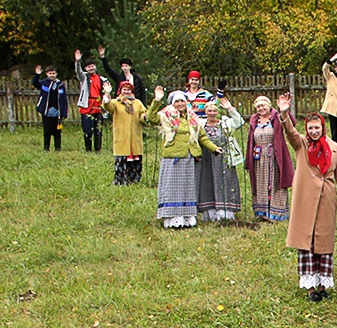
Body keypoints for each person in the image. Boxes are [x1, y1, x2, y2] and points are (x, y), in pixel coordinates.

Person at [277, 99, 337, 299]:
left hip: (326, 198)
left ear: (323, 127)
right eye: (310, 128)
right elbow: (290, 132)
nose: (313, 131)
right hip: (305, 198)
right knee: (307, 240)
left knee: (323, 241)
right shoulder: (301, 144)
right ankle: (310, 287)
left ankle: (322, 285)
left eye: (317, 128)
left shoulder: (334, 147)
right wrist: (284, 113)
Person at [155, 92, 210, 228]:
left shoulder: (193, 118)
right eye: (177, 102)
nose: (180, 104)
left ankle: (187, 216)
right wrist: (157, 100)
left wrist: (214, 149)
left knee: (188, 187)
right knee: (171, 188)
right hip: (173, 157)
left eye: (182, 101)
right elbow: (150, 118)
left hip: (189, 156)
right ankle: (172, 217)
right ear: (172, 104)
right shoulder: (166, 116)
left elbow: (202, 136)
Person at [199, 91, 249, 223]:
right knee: (207, 181)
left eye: (214, 111)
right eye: (209, 111)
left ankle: (225, 211)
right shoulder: (200, 124)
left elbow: (239, 122)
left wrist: (230, 108)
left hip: (224, 157)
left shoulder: (225, 123)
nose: (212, 113)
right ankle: (209, 211)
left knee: (225, 182)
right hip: (206, 159)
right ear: (205, 112)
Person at [246, 95, 293, 223]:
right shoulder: (254, 120)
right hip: (258, 158)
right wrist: (248, 161)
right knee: (260, 184)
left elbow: (291, 123)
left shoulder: (276, 117)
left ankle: (276, 214)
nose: (261, 108)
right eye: (258, 106)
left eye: (263, 105)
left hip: (274, 157)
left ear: (269, 105)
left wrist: (284, 111)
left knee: (275, 184)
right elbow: (250, 141)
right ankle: (262, 213)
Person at [105, 80, 148, 185]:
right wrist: (107, 94)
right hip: (122, 137)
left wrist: (145, 117)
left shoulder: (137, 103)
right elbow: (107, 106)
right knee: (122, 160)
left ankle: (135, 181)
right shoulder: (116, 102)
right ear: (120, 90)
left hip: (135, 137)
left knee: (135, 161)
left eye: (129, 90)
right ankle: (121, 181)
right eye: (124, 89)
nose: (126, 92)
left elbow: (143, 114)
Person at [75, 58, 109, 153]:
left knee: (98, 129)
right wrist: (77, 62)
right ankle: (88, 149)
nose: (91, 68)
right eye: (89, 67)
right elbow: (78, 72)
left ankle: (98, 148)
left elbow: (107, 90)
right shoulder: (84, 77)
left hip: (98, 105)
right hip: (87, 105)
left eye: (92, 66)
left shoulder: (102, 79)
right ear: (86, 68)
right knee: (87, 130)